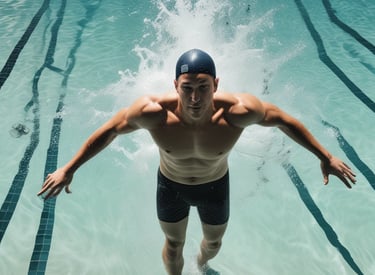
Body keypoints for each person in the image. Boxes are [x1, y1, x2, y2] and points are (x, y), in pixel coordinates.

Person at [38, 49, 356, 275]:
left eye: (203, 88)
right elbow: (108, 131)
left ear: (216, 84)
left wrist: (325, 157)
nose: (194, 98)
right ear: (175, 85)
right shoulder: (153, 113)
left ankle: (201, 266)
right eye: (187, 88)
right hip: (171, 186)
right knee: (173, 245)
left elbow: (284, 120)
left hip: (215, 187)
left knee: (214, 242)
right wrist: (69, 168)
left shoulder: (238, 112)